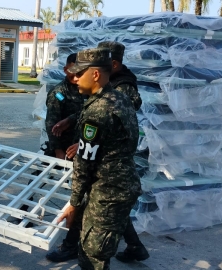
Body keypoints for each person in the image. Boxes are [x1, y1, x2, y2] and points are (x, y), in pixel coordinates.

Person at [57, 47, 144, 269]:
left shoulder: (98, 110)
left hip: (108, 191)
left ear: (95, 74)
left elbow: (84, 163)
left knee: (91, 255)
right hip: (120, 185)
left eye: (79, 73)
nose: (74, 78)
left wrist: (73, 204)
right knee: (97, 251)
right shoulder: (118, 98)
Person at [96, 41, 149, 263]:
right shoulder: (115, 82)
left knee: (106, 202)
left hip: (111, 154)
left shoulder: (123, 87)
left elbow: (109, 120)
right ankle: (135, 246)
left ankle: (92, 250)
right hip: (107, 151)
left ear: (114, 63)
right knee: (111, 203)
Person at [44, 53, 87, 262]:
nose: (76, 76)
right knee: (44, 182)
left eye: (80, 71)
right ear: (65, 70)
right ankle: (25, 212)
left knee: (81, 195)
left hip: (84, 150)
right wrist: (58, 152)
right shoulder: (59, 93)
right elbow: (51, 124)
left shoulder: (86, 90)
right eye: (72, 71)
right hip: (64, 150)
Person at [97, 41, 142, 111]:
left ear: (114, 64)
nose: (96, 67)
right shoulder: (109, 77)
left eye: (100, 63)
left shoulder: (122, 87)